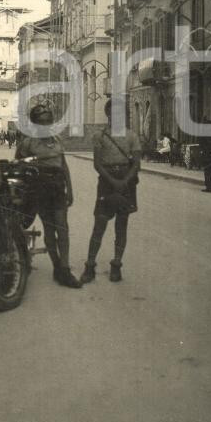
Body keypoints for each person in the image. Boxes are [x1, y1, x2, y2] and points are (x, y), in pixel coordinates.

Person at [16, 103, 81, 288]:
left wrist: (70, 189)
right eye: (41, 122)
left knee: (63, 228)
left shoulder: (57, 139)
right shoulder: (28, 143)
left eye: (48, 121)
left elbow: (63, 165)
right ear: (35, 123)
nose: (45, 124)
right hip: (40, 190)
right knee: (50, 229)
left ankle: (65, 268)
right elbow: (18, 165)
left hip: (58, 188)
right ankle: (57, 267)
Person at [80, 99, 141, 284]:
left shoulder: (132, 136)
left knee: (121, 226)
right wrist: (113, 181)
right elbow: (97, 164)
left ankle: (116, 265)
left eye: (121, 113)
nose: (117, 117)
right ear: (108, 115)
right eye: (113, 113)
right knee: (99, 224)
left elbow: (136, 163)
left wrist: (125, 181)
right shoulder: (100, 136)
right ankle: (90, 265)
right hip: (106, 182)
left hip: (126, 181)